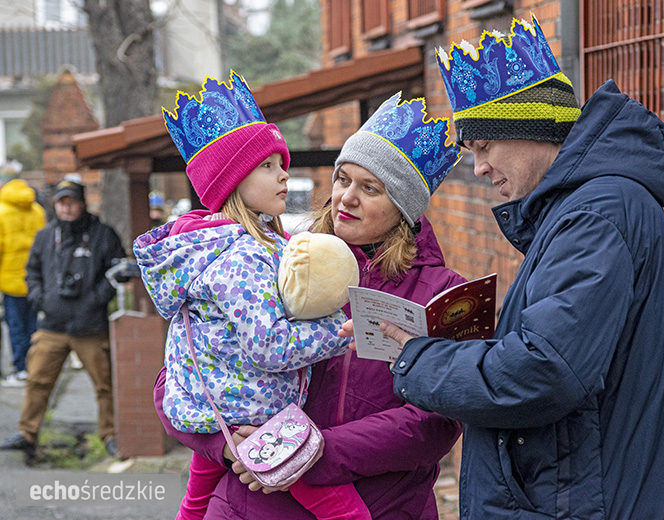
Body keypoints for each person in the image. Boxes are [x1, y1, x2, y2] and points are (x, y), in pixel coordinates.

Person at [373, 15, 664, 519]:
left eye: (483, 147)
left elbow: (544, 371)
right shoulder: (587, 208)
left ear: (531, 130)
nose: (478, 168)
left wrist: (418, 359)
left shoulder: (594, 214)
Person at [153, 91, 466, 519]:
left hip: (384, 506)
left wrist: (307, 450)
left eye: (369, 188)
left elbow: (437, 422)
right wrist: (224, 447)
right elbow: (184, 375)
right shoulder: (279, 260)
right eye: (342, 179)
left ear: (403, 207)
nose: (345, 198)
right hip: (251, 506)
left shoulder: (442, 294)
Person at [136, 71, 369, 520]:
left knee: (195, 504)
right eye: (267, 166)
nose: (284, 175)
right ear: (233, 180)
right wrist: (343, 331)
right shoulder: (240, 258)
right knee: (343, 510)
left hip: (219, 409)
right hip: (256, 418)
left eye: (281, 163)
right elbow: (271, 346)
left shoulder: (231, 246)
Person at [0, 179, 125, 459]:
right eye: (62, 202)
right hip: (52, 325)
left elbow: (117, 270)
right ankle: (27, 433)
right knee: (37, 380)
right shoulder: (45, 235)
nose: (67, 208)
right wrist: (39, 297)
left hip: (90, 326)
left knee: (105, 385)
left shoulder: (103, 234)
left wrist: (96, 299)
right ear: (55, 205)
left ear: (82, 203)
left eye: (72, 202)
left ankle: (110, 434)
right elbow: (31, 270)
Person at [0, 179, 46, 387]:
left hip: (10, 280)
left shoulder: (2, 211)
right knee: (33, 326)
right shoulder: (37, 210)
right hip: (34, 280)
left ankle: (19, 368)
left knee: (15, 326)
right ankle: (32, 366)